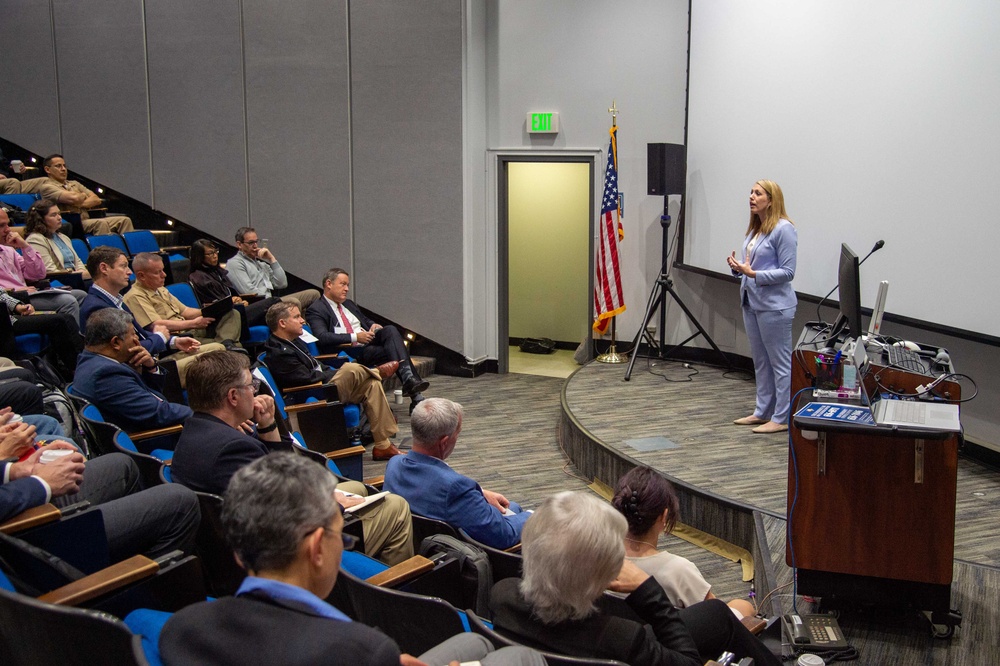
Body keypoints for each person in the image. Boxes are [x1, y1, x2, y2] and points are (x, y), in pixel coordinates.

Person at [161, 453, 544, 666]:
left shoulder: (182, 627)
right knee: (523, 659)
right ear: (315, 549)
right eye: (340, 534)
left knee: (472, 645)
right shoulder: (359, 650)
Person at [169, 351, 414, 565]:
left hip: (237, 540)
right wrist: (336, 506)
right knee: (396, 506)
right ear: (233, 397)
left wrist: (267, 426)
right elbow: (285, 505)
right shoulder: (233, 447)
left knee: (356, 487)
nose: (255, 391)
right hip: (279, 554)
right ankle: (381, 589)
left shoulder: (193, 431)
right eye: (250, 385)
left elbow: (281, 478)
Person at [489, 491, 781, 666]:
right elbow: (690, 662)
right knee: (720, 613)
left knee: (715, 615)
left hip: (565, 640)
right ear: (600, 579)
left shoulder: (501, 593)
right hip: (604, 643)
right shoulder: (624, 638)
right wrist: (647, 590)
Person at [1, 440, 199, 561]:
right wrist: (41, 484)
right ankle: (146, 591)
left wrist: (14, 470)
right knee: (180, 501)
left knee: (122, 465)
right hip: (20, 533)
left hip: (14, 492)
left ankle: (132, 547)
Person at [262, 301, 402, 461]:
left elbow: (317, 366)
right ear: (282, 323)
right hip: (314, 395)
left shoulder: (294, 342)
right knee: (351, 368)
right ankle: (377, 371)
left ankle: (383, 446)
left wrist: (334, 372)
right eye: (297, 317)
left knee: (372, 383)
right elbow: (306, 379)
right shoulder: (278, 352)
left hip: (325, 386)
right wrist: (338, 373)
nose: (303, 320)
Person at [384, 398, 530, 549]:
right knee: (526, 516)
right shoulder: (455, 488)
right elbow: (503, 536)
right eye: (457, 434)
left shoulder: (394, 464)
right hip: (457, 560)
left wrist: (479, 493)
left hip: (420, 541)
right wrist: (535, 515)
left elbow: (428, 487)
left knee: (513, 507)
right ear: (444, 442)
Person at [612, 466, 755, 618]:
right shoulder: (678, 571)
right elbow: (718, 621)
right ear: (664, 516)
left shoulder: (595, 559)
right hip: (672, 640)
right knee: (743, 606)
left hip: (615, 638)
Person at [80, 245, 225, 385]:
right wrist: (160, 337)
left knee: (220, 349)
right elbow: (128, 351)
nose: (130, 272)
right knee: (219, 354)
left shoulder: (116, 301)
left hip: (154, 359)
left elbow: (142, 335)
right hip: (142, 372)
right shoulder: (97, 308)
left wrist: (173, 341)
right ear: (104, 268)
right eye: (123, 266)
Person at [727, 179, 797, 434]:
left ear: (771, 199)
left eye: (758, 193)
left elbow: (788, 272)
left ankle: (781, 417)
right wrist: (739, 270)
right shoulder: (756, 229)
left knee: (779, 363)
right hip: (751, 302)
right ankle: (762, 411)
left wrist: (754, 274)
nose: (751, 196)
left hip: (775, 307)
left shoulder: (784, 229)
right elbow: (751, 266)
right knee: (761, 361)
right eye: (751, 192)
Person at [307, 268, 428, 413]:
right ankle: (415, 394)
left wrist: (372, 325)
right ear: (328, 284)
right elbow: (322, 337)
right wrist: (355, 337)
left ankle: (410, 383)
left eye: (348, 285)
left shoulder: (348, 304)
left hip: (367, 344)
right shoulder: (317, 309)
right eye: (343, 284)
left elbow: (364, 320)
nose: (346, 289)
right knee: (395, 349)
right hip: (348, 352)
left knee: (389, 331)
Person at [73, 308, 193, 433]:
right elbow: (158, 413)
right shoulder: (106, 375)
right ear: (115, 342)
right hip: (155, 438)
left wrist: (150, 367)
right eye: (133, 334)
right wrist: (204, 416)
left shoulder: (93, 360)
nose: (137, 341)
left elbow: (153, 395)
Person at [123, 252, 242, 346]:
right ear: (141, 275)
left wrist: (211, 310)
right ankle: (225, 346)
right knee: (234, 344)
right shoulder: (135, 296)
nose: (164, 275)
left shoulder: (160, 289)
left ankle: (226, 344)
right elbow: (156, 325)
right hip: (177, 337)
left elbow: (185, 311)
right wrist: (193, 323)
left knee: (232, 313)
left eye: (163, 270)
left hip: (189, 328)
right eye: (158, 272)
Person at [0, 207, 87, 324]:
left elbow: (37, 275)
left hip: (29, 293)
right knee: (68, 301)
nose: (8, 230)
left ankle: (82, 338)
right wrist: (18, 290)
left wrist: (25, 247)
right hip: (13, 298)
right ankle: (73, 340)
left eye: (8, 225)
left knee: (81, 295)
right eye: (1, 226)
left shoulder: (8, 251)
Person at [0, 282, 84, 380]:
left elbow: (1, 294)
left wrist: (18, 306)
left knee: (67, 318)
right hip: (4, 323)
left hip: (9, 316)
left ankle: (83, 362)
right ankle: (77, 370)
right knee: (58, 321)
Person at [35, 154, 134, 236]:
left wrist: (79, 203)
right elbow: (74, 198)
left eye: (64, 166)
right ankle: (106, 256)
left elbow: (96, 199)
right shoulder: (47, 187)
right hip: (70, 222)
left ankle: (131, 253)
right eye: (58, 166)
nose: (63, 169)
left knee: (125, 220)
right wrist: (81, 195)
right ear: (47, 170)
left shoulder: (74, 183)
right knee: (100, 223)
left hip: (86, 220)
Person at [188, 238, 278, 327]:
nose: (215, 255)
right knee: (274, 301)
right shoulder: (199, 277)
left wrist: (237, 299)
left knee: (273, 316)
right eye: (210, 253)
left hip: (235, 311)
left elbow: (229, 295)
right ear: (199, 256)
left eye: (215, 251)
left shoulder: (217, 271)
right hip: (226, 318)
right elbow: (214, 305)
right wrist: (235, 304)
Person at [225, 227, 319, 310]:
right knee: (293, 302)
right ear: (239, 244)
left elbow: (281, 283)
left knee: (314, 294)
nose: (255, 246)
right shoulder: (235, 263)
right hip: (259, 306)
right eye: (251, 243)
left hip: (272, 302)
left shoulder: (261, 264)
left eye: (256, 242)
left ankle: (306, 326)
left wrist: (271, 259)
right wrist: (271, 300)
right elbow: (249, 292)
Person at [23, 198, 90, 280]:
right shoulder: (35, 239)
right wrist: (77, 276)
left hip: (76, 277)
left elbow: (78, 262)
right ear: (41, 219)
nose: (59, 218)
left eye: (59, 214)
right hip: (60, 280)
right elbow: (50, 271)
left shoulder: (63, 237)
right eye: (53, 215)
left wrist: (82, 273)